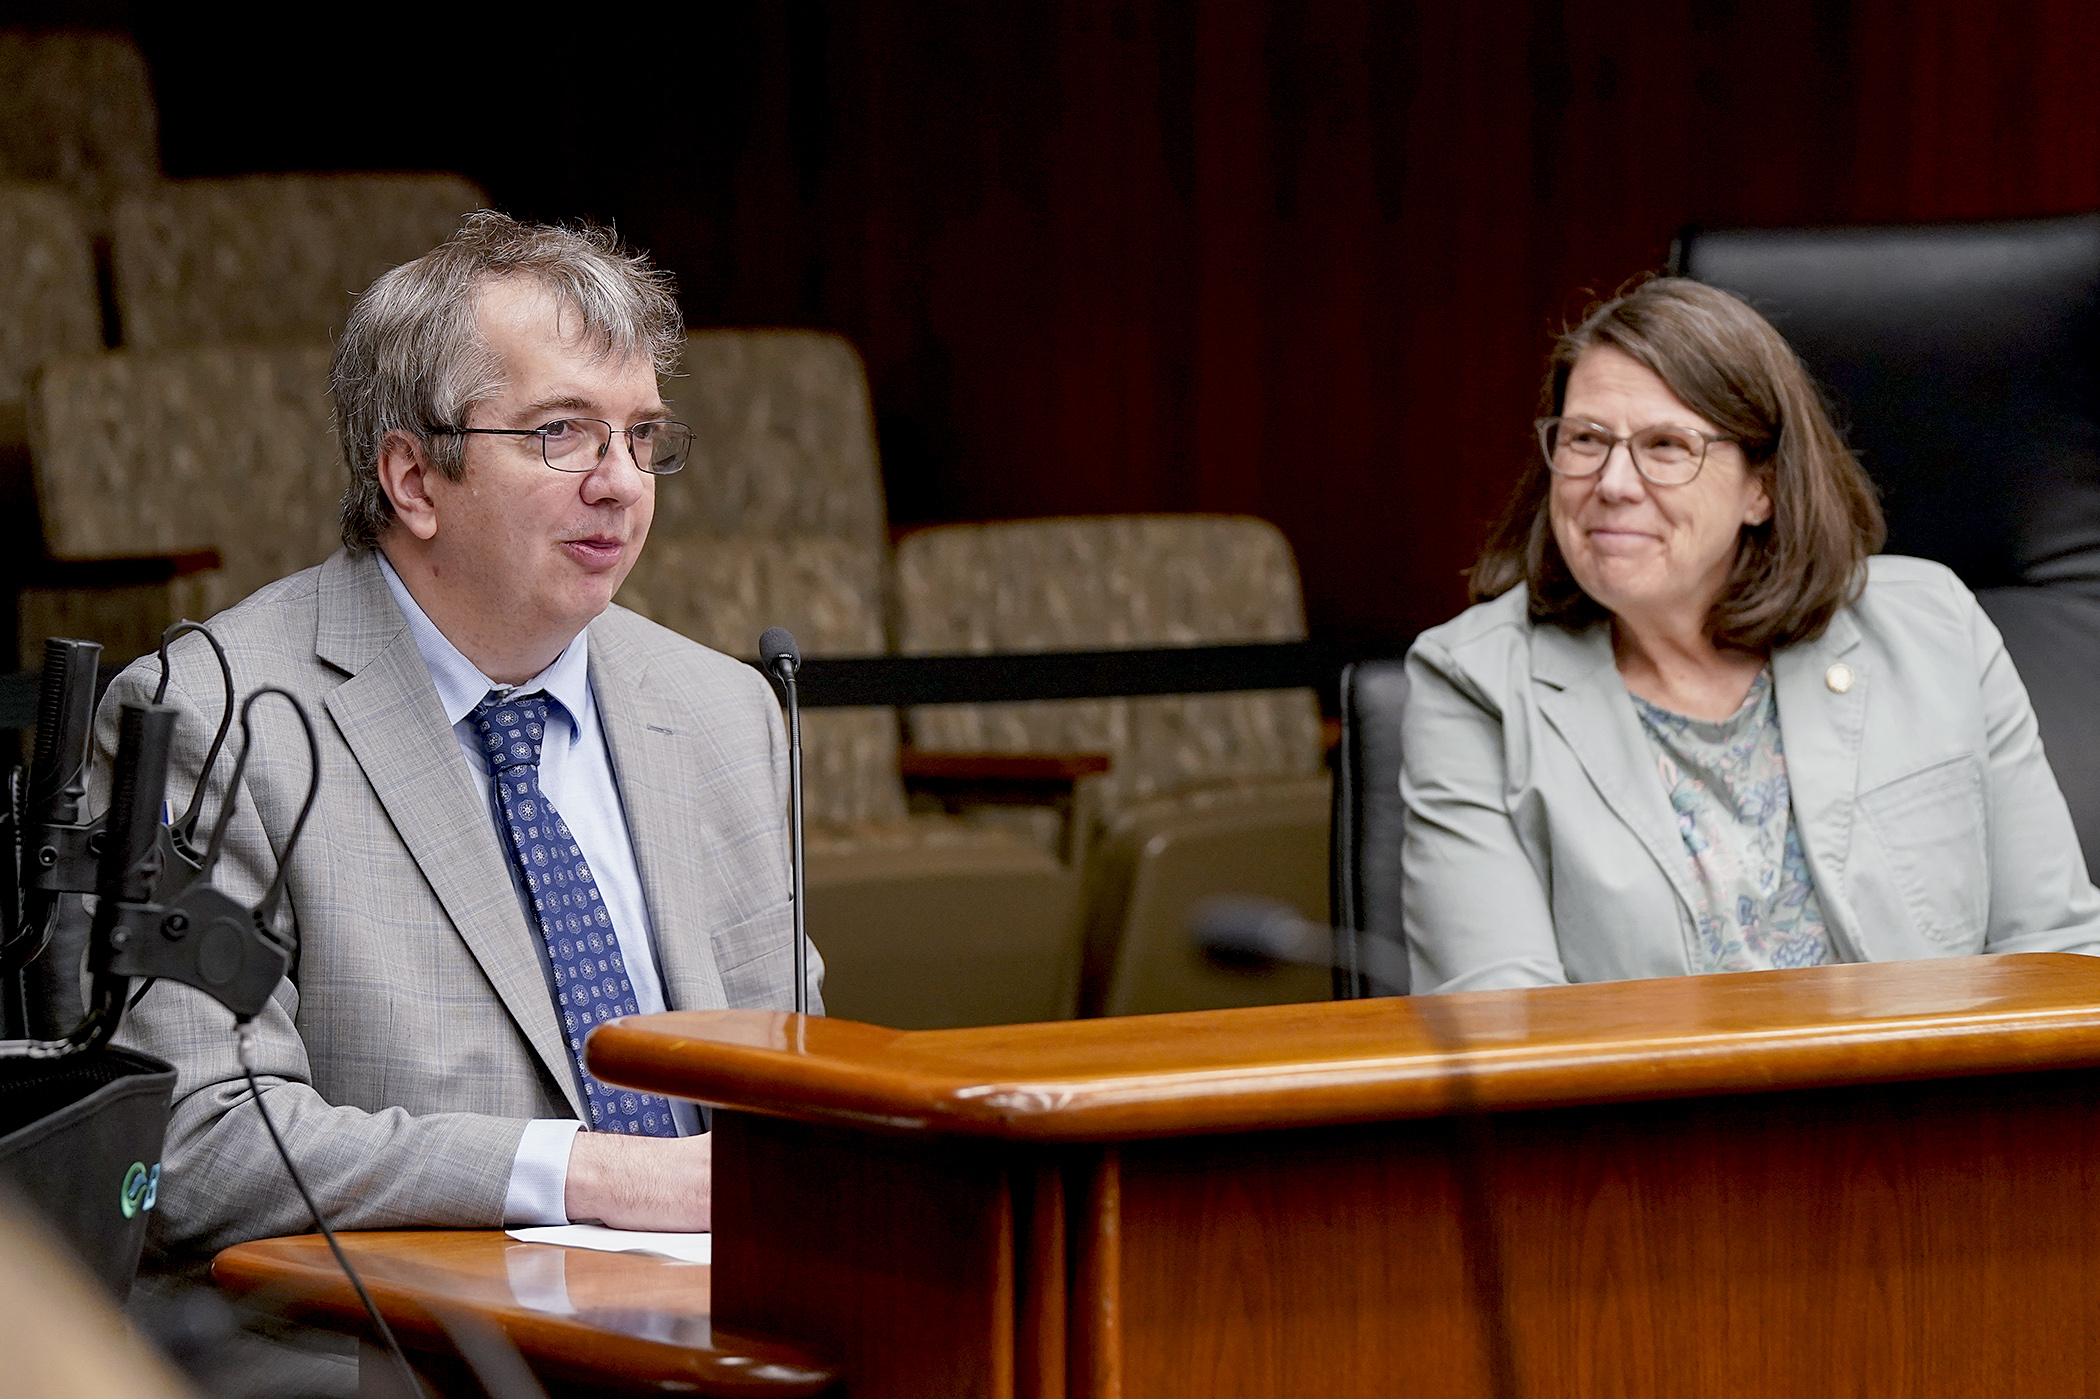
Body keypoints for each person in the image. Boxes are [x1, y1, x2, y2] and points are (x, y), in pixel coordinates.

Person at [97, 215, 814, 1286]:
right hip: (410, 1351)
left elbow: (800, 1099)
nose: (621, 481)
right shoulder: (213, 716)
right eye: (562, 433)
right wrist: (589, 1172)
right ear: (414, 480)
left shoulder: (724, 711)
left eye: (642, 436)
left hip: (738, 1329)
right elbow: (192, 1147)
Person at [1403, 276, 2100, 993]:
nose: (1611, 482)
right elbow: (1500, 1026)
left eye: (1666, 445)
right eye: (1585, 439)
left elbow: (2060, 950)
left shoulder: (1934, 626)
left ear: (1760, 487)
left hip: (1932, 1097)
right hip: (1648, 1104)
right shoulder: (1475, 683)